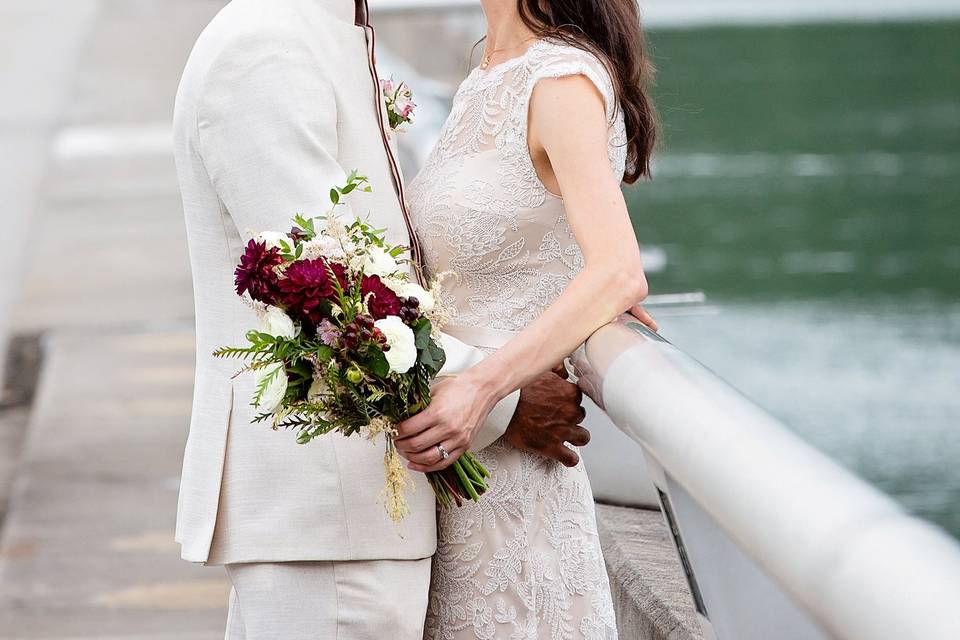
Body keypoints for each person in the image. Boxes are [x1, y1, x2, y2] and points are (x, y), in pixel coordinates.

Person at [172, 0, 654, 637]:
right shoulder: (270, 46)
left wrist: (548, 323)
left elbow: (605, 262)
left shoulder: (540, 73)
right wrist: (502, 397)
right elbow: (329, 290)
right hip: (332, 506)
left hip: (410, 490)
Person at [396, 0, 658, 637]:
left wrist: (483, 389)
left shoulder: (562, 79)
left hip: (511, 473)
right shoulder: (483, 74)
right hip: (458, 470)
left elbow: (618, 271)